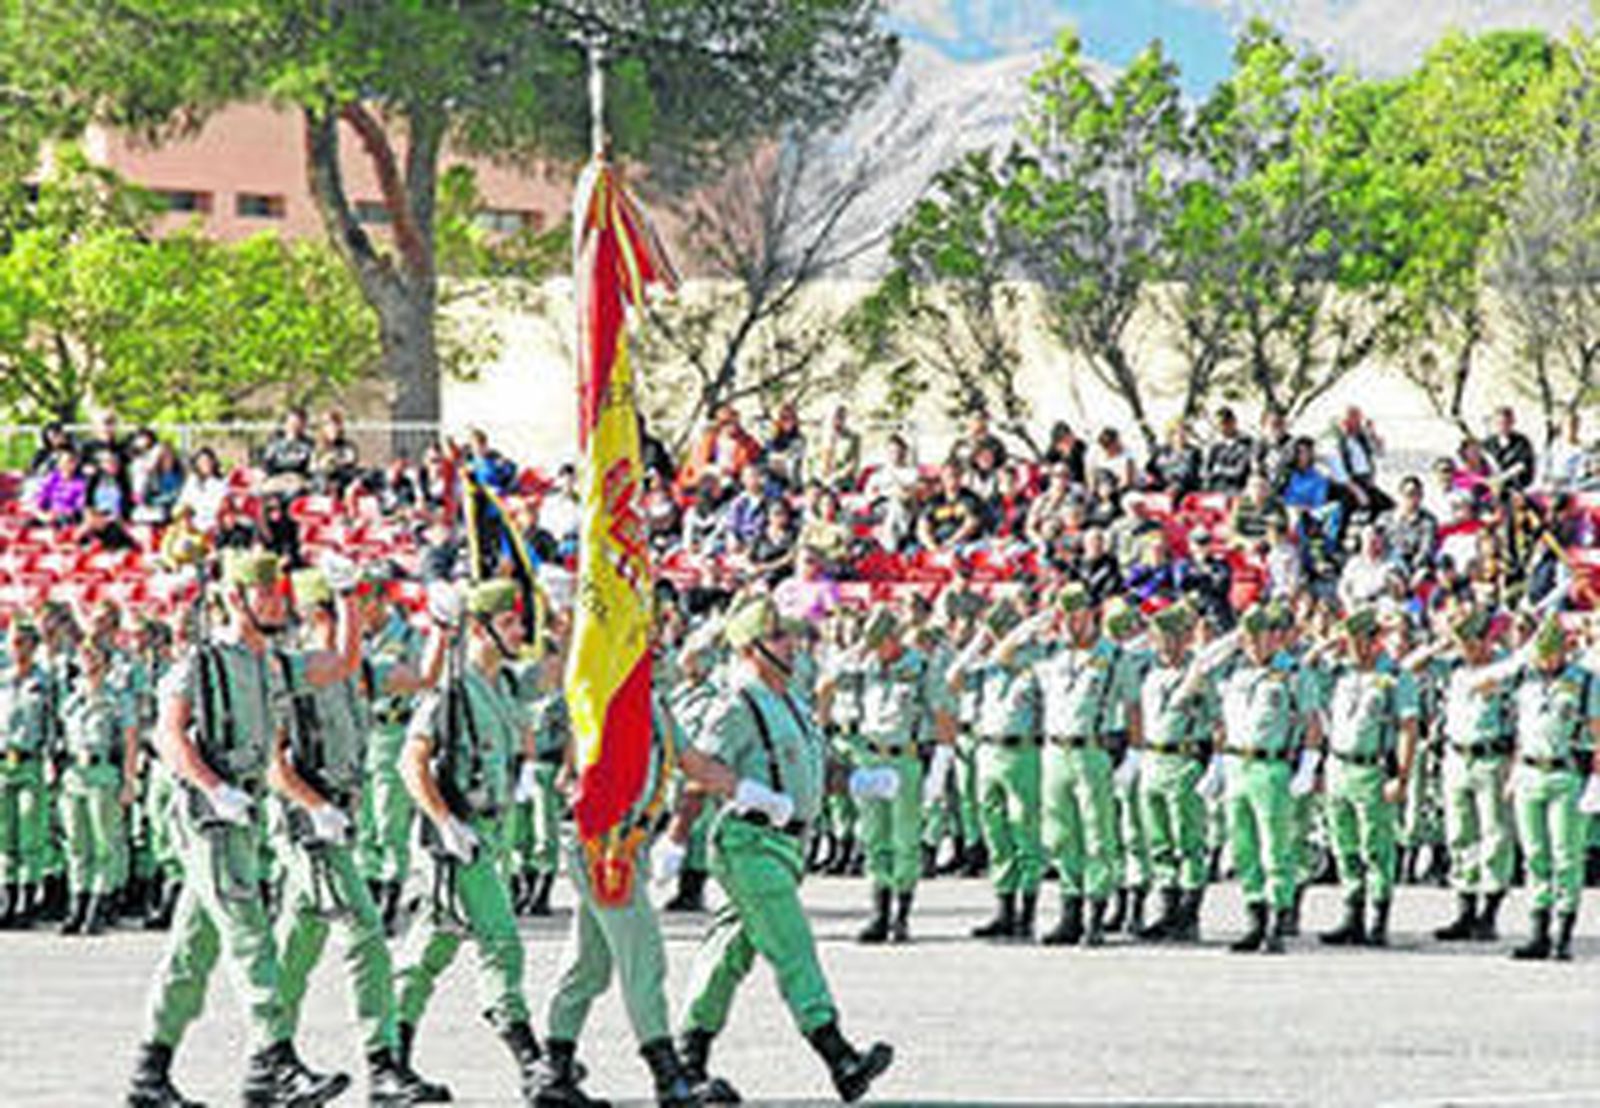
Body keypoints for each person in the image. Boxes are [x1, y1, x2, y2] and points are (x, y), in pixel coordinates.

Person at [124, 549, 353, 1108]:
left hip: (239, 811)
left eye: (279, 591)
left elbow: (340, 663)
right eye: (265, 592)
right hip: (211, 814)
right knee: (249, 931)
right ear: (235, 598)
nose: (278, 600)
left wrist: (346, 597)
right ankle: (274, 1060)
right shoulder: (202, 663)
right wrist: (214, 788)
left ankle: (148, 1074)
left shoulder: (270, 663)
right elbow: (169, 737)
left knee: (192, 950)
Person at [672, 594, 894, 1104]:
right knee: (794, 946)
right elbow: (700, 771)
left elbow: (814, 769)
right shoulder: (737, 703)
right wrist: (676, 839)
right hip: (748, 842)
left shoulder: (794, 702)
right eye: (777, 637)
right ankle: (839, 1056)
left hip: (788, 846)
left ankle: (688, 1058)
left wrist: (858, 779)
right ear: (751, 648)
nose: (791, 645)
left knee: (729, 951)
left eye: (790, 635)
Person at [270, 564, 452, 1105]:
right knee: (366, 934)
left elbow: (422, 677)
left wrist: (442, 625)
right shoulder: (291, 675)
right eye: (353, 602)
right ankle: (383, 1067)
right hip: (310, 823)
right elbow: (272, 763)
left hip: (335, 821)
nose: (368, 610)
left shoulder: (357, 670)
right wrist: (317, 808)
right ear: (322, 612)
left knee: (295, 950)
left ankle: (267, 1061)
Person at [395, 579, 544, 1104]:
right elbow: (411, 762)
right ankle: (533, 1064)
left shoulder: (500, 685)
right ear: (479, 629)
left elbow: (549, 680)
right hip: (458, 836)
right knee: (500, 940)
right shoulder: (452, 689)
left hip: (488, 833)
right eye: (509, 623)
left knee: (433, 945)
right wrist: (444, 823)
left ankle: (390, 1061)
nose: (520, 631)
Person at [536, 676, 699, 1107]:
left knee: (589, 964)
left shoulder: (654, 702)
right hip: (603, 845)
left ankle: (554, 1068)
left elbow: (691, 761)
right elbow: (569, 768)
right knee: (644, 958)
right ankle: (668, 1076)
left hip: (630, 842)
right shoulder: (601, 688)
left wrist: (745, 788)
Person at [824, 607, 955, 944]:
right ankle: (879, 913)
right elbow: (824, 687)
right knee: (874, 836)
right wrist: (851, 654)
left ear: (894, 639)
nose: (873, 650)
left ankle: (902, 914)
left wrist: (939, 767)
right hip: (870, 757)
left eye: (878, 643)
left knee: (904, 839)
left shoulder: (922, 667)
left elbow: (943, 714)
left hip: (904, 760)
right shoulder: (864, 666)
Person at [1031, 586, 1142, 947]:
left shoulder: (1114, 657)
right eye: (1065, 615)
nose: (1071, 623)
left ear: (1092, 614)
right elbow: (1002, 653)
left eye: (1077, 614)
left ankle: (1096, 913)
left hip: (1091, 751)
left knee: (1097, 835)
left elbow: (1133, 707)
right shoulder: (1051, 652)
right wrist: (1041, 620)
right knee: (1061, 835)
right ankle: (1070, 912)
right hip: (1054, 751)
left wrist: (1134, 757)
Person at [1215, 603, 1323, 954]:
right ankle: (1255, 919)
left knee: (1276, 848)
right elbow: (1205, 681)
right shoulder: (1235, 672)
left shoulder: (1293, 673)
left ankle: (1277, 923)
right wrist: (1217, 765)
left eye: (1258, 636)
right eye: (1246, 638)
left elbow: (1312, 722)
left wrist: (1308, 766)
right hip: (1237, 765)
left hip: (1271, 768)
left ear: (1273, 637)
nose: (1252, 645)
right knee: (1243, 847)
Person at [1492, 618, 1600, 960]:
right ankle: (1537, 932)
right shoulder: (1526, 678)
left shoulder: (1584, 681)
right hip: (1529, 772)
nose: (1545, 661)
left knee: (1566, 856)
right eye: (1540, 655)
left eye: (1550, 654)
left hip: (1566, 775)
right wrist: (1512, 774)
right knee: (1535, 855)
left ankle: (1562, 935)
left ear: (1564, 650)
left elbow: (1598, 733)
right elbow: (1521, 729)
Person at [1316, 608, 1419, 948]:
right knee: (1344, 846)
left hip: (1373, 769)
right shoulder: (1340, 674)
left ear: (1376, 641)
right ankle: (1352, 916)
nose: (1355, 648)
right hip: (1339, 767)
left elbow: (1408, 729)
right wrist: (1331, 641)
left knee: (1375, 847)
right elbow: (1305, 665)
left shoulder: (1395, 677)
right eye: (1351, 641)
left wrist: (1401, 778)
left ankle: (1378, 919)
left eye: (1362, 640)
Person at [950, 599, 1046, 940]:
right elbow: (953, 678)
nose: (996, 634)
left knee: (1025, 830)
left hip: (1022, 753)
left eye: (1001, 627)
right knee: (995, 831)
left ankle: (1027, 912)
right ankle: (1004, 908)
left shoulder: (1035, 662)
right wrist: (978, 642)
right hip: (987, 750)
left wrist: (1014, 641)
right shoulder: (986, 667)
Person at [1133, 602, 1217, 942]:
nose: (1166, 644)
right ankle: (1166, 909)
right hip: (1152, 760)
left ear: (1185, 638)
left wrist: (1216, 765)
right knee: (1159, 841)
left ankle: (1188, 912)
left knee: (1189, 841)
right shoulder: (1148, 671)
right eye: (1160, 637)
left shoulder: (1198, 674)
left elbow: (1217, 720)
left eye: (1173, 637)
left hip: (1184, 761)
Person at [53, 639, 139, 936]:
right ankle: (77, 902)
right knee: (77, 842)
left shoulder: (118, 698)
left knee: (105, 843)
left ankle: (98, 904)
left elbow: (129, 741)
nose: (87, 658)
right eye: (83, 653)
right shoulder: (71, 697)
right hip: (74, 775)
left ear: (105, 661)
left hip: (103, 772)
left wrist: (129, 781)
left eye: (93, 653)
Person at [0, 620, 53, 930]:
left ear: (34, 646)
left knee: (29, 830)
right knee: (4, 833)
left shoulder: (44, 681)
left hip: (32, 761)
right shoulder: (3, 681)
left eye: (23, 642)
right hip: (3, 761)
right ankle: (6, 895)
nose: (17, 647)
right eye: (13, 641)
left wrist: (52, 758)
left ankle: (27, 897)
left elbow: (53, 720)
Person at [261, 407, 315, 495]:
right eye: (293, 422)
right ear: (287, 423)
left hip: (297, 480)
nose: (295, 426)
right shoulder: (275, 442)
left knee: (293, 493)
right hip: (277, 479)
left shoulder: (309, 444)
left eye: (299, 423)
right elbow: (267, 463)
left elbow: (312, 467)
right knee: (258, 493)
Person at [1204, 407, 1255, 493]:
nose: (1223, 427)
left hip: (1236, 489)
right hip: (1215, 488)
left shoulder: (1246, 443)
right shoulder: (1215, 446)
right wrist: (1213, 473)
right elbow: (1205, 471)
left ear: (1234, 422)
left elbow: (1240, 472)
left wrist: (1220, 470)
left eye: (1226, 423)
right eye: (1220, 424)